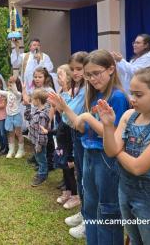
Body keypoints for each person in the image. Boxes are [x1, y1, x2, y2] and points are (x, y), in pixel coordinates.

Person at [49, 49, 130, 245]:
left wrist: (86, 117)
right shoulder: (94, 95)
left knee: (107, 210)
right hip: (89, 155)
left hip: (106, 159)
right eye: (88, 75)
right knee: (91, 207)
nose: (92, 79)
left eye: (97, 73)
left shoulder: (118, 97)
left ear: (111, 69)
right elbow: (79, 125)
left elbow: (114, 135)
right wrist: (64, 107)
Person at [97, 66, 150, 245]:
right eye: (132, 93)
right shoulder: (130, 115)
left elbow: (138, 167)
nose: (132, 99)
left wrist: (118, 150)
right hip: (125, 187)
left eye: (138, 95)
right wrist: (107, 125)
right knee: (136, 241)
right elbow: (110, 150)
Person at [63, 51, 88, 239]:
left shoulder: (87, 89)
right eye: (72, 69)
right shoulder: (77, 87)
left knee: (86, 179)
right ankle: (84, 212)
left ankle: (89, 219)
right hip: (77, 136)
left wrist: (64, 107)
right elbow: (67, 117)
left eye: (79, 69)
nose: (75, 73)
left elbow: (74, 115)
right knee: (80, 176)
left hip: (85, 136)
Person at [52, 64, 80, 210]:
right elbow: (59, 112)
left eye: (60, 75)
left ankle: (76, 195)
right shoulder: (61, 91)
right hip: (61, 133)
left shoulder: (73, 92)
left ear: (69, 77)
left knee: (70, 166)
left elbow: (69, 112)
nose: (58, 78)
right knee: (63, 164)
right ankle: (67, 191)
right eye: (57, 75)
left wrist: (60, 104)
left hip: (69, 134)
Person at [25, 88, 50, 187]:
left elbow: (42, 132)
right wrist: (27, 107)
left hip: (39, 142)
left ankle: (42, 174)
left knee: (41, 158)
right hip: (34, 140)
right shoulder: (36, 110)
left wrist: (39, 145)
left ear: (38, 100)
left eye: (33, 99)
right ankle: (41, 170)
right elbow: (28, 118)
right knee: (38, 157)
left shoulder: (43, 115)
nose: (31, 101)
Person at [0, 75, 24, 158]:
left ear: (16, 84)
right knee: (10, 134)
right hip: (9, 116)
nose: (9, 85)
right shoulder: (7, 93)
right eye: (9, 83)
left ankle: (21, 150)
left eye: (11, 83)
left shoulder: (18, 94)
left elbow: (15, 91)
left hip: (16, 116)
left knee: (18, 133)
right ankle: (11, 150)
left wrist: (13, 82)